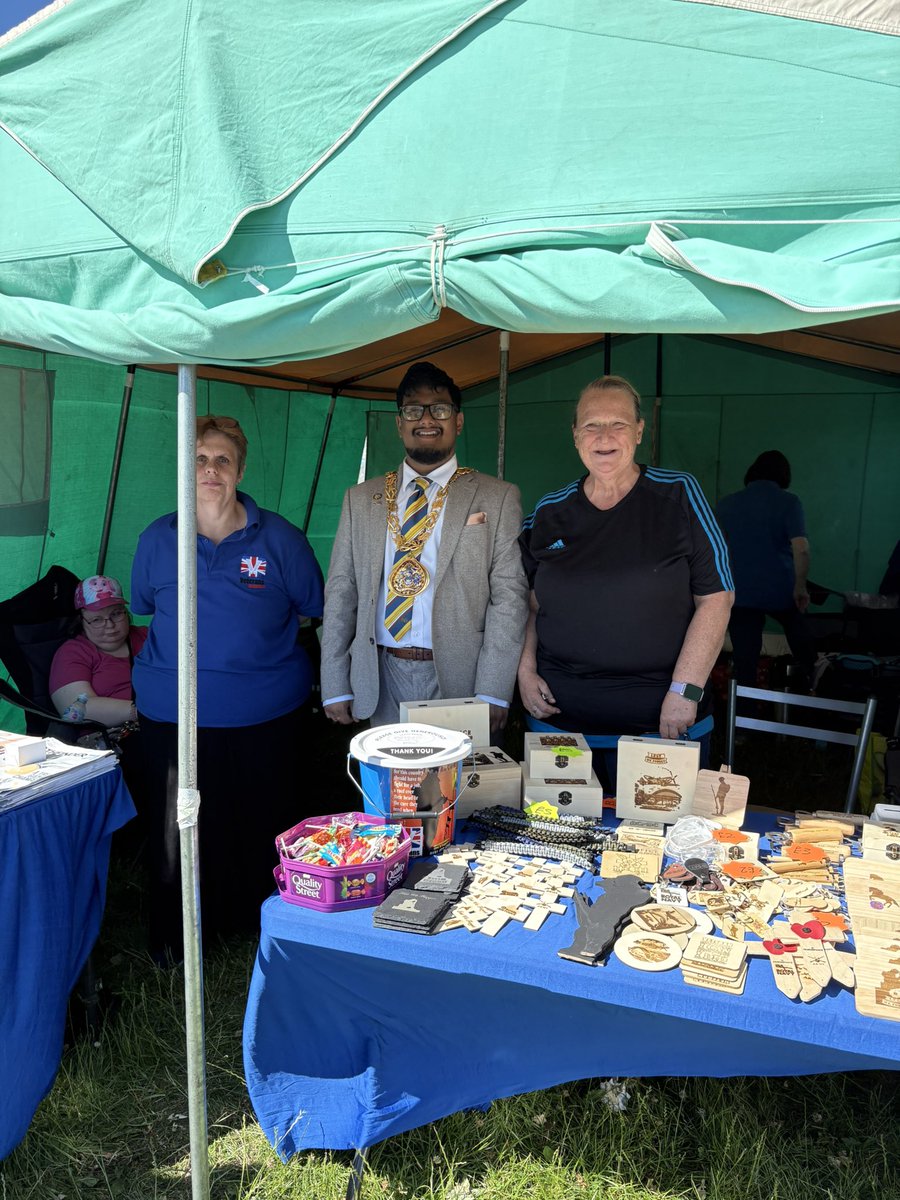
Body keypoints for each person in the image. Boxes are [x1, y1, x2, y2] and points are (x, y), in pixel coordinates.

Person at [131, 415, 324, 961]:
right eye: (198, 459)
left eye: (221, 459)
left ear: (240, 469)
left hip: (266, 714)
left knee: (260, 825)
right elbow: (144, 604)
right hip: (172, 714)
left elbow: (315, 608)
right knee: (180, 831)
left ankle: (260, 927)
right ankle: (179, 940)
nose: (210, 469)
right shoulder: (156, 538)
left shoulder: (281, 539)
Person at [517, 375, 734, 786]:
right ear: (575, 435)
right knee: (558, 838)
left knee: (658, 841)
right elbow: (528, 603)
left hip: (662, 725)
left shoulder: (680, 496)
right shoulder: (549, 511)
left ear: (638, 431)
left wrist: (685, 692)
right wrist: (524, 673)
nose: (604, 436)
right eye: (591, 425)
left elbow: (717, 598)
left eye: (617, 423)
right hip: (559, 725)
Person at [321, 361, 528, 737]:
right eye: (414, 410)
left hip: (462, 678)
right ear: (400, 423)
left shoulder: (496, 496)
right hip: (382, 676)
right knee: (391, 792)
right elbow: (341, 590)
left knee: (463, 794)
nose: (427, 419)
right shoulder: (361, 498)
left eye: (441, 409)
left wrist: (495, 689)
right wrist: (335, 679)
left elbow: (509, 595)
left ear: (458, 422)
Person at [716, 450, 816, 689]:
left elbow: (714, 549)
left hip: (739, 590)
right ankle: (814, 683)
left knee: (745, 660)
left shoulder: (726, 503)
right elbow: (801, 548)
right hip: (780, 589)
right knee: (798, 631)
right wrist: (800, 586)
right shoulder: (789, 502)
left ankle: (743, 716)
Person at [49, 574, 146, 728]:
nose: (109, 625)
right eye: (97, 620)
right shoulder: (73, 652)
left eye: (116, 614)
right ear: (82, 622)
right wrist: (147, 713)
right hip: (114, 737)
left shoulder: (146, 637)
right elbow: (76, 710)